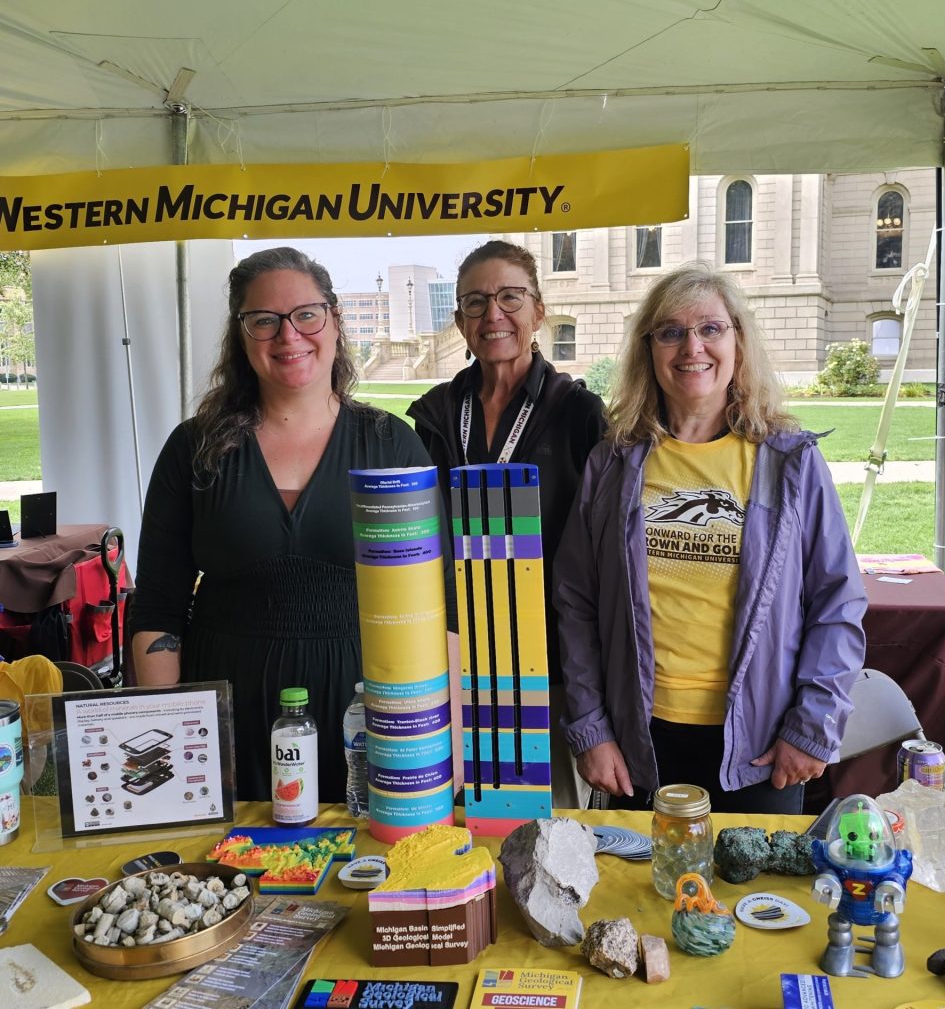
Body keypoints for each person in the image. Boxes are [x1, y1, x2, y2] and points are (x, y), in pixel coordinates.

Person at [129, 246, 453, 803]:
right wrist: (170, 740)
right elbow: (158, 604)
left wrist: (442, 745)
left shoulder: (390, 445)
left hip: (364, 714)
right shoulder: (194, 449)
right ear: (240, 333)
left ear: (333, 319)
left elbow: (434, 604)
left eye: (306, 314)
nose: (289, 336)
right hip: (222, 713)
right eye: (264, 320)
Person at [553, 263, 867, 813]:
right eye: (670, 332)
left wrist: (811, 726)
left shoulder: (788, 461)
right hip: (639, 745)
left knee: (759, 899)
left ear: (737, 341)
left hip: (761, 747)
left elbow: (836, 602)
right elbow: (576, 603)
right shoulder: (613, 462)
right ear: (648, 349)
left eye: (710, 329)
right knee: (644, 897)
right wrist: (590, 727)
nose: (690, 346)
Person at [408, 240, 606, 809]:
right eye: (475, 302)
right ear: (459, 321)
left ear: (538, 310)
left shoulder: (578, 415)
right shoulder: (434, 414)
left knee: (544, 820)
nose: (493, 314)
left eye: (510, 297)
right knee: (457, 813)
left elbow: (599, 547)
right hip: (452, 648)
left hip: (546, 652)